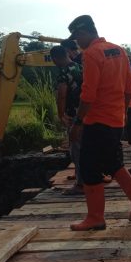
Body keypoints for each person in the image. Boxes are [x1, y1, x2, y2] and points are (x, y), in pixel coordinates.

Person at [68, 15, 131, 231]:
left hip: (97, 122)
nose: (76, 43)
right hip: (115, 120)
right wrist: (121, 114)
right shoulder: (119, 50)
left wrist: (78, 123)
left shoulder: (92, 54)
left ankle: (96, 217)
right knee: (113, 163)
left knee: (88, 167)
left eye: (77, 38)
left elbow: (88, 95)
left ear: (84, 33)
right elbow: (129, 88)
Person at [50, 45, 84, 195]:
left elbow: (62, 95)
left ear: (55, 58)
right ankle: (82, 176)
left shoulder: (64, 73)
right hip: (86, 112)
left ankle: (81, 184)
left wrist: (60, 114)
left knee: (76, 148)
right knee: (86, 147)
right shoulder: (80, 67)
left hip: (74, 114)